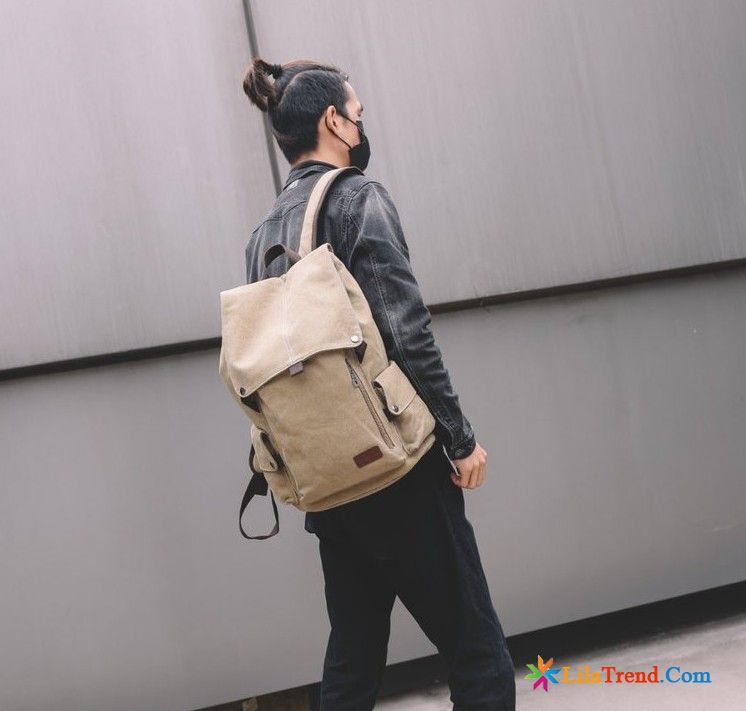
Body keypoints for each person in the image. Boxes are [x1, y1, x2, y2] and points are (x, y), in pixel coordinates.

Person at [242, 57, 516, 710]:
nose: (362, 126)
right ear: (334, 122)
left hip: (328, 484)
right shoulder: (355, 198)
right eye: (358, 115)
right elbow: (405, 328)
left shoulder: (263, 235)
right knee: (477, 653)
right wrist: (459, 439)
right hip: (399, 471)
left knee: (354, 662)